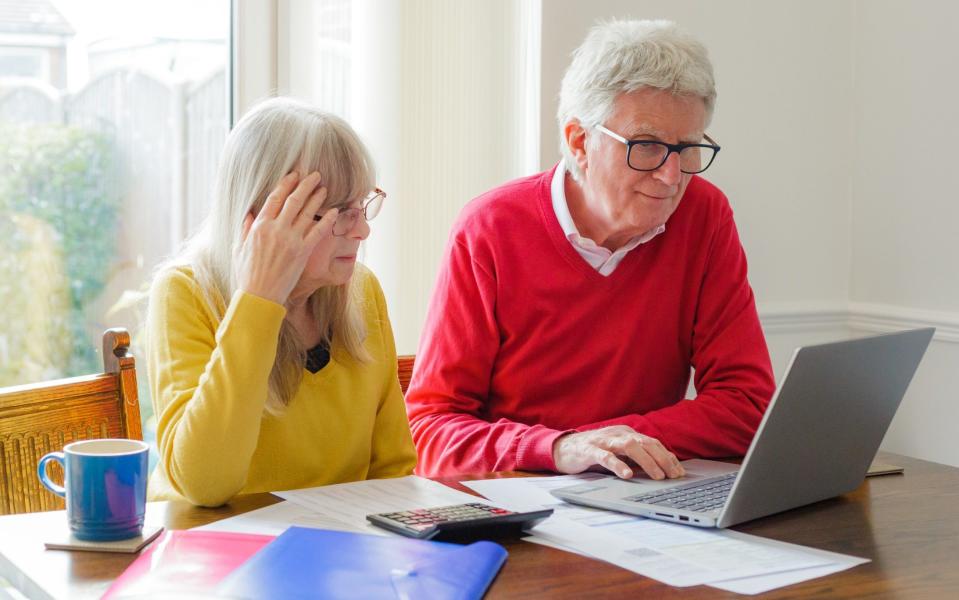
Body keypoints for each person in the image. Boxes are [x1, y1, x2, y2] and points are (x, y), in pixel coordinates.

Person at [406, 19, 775, 480]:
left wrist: (609, 444)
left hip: (641, 499)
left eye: (688, 147)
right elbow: (430, 430)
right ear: (580, 142)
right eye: (648, 146)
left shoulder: (705, 215)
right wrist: (559, 449)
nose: (672, 176)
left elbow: (747, 404)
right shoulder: (490, 229)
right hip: (522, 507)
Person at [145, 97, 416, 506]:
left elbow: (393, 471)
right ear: (265, 217)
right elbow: (204, 484)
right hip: (214, 551)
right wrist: (258, 299)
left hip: (340, 552)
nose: (362, 230)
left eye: (362, 205)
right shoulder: (185, 292)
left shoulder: (362, 291)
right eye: (339, 212)